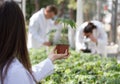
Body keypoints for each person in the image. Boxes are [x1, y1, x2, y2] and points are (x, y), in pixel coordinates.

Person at [0, 1, 69, 84]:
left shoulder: (12, 68)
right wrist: (43, 42)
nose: (51, 18)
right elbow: (32, 32)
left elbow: (26, 75)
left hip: (41, 45)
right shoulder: (36, 17)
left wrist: (50, 59)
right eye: (51, 16)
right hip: (35, 44)